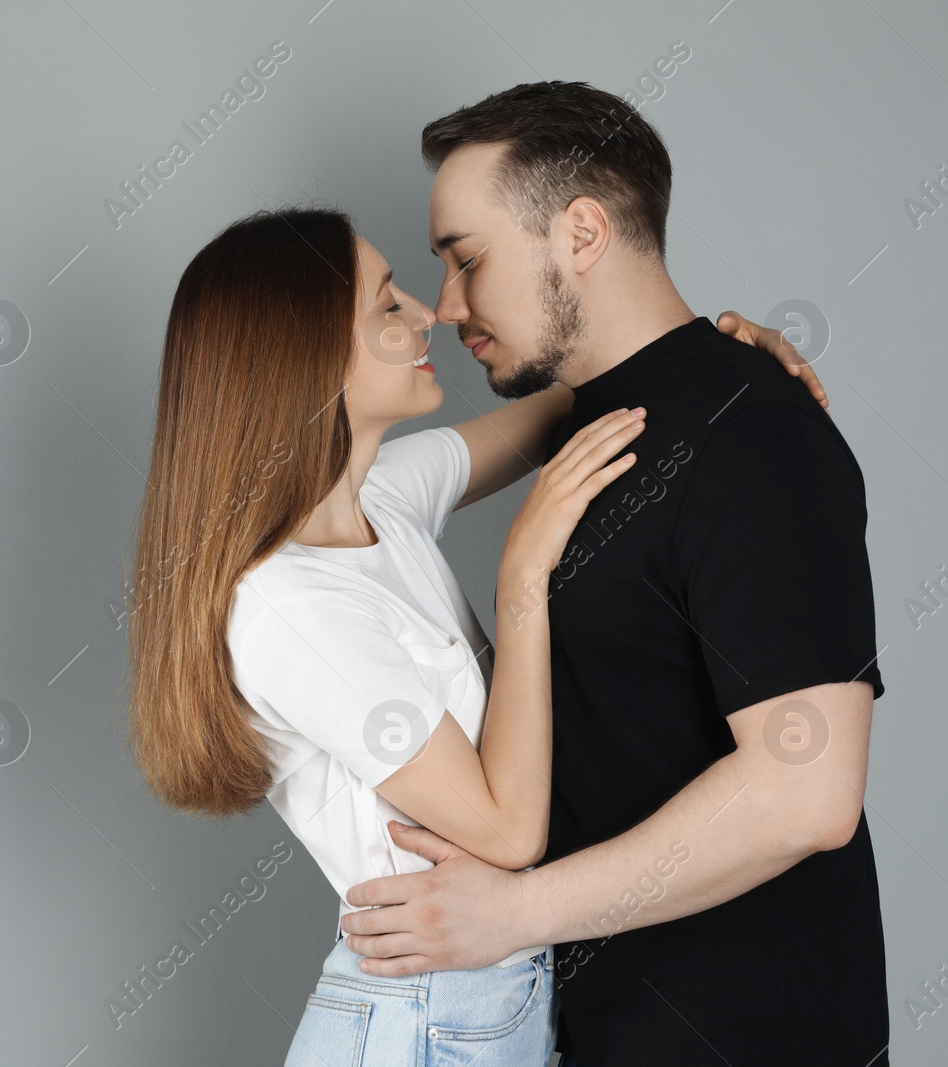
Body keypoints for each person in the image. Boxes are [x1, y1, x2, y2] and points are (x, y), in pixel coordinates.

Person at [122, 204, 819, 1066]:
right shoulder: (290, 605)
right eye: (387, 306)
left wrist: (715, 358)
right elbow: (506, 832)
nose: (427, 315)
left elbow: (579, 406)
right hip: (421, 1022)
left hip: (484, 1002)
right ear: (304, 357)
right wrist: (521, 579)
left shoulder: (381, 502)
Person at [337, 81, 891, 1067]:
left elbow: (806, 792)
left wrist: (512, 912)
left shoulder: (753, 436)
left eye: (467, 258)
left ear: (581, 232)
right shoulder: (607, 424)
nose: (450, 303)